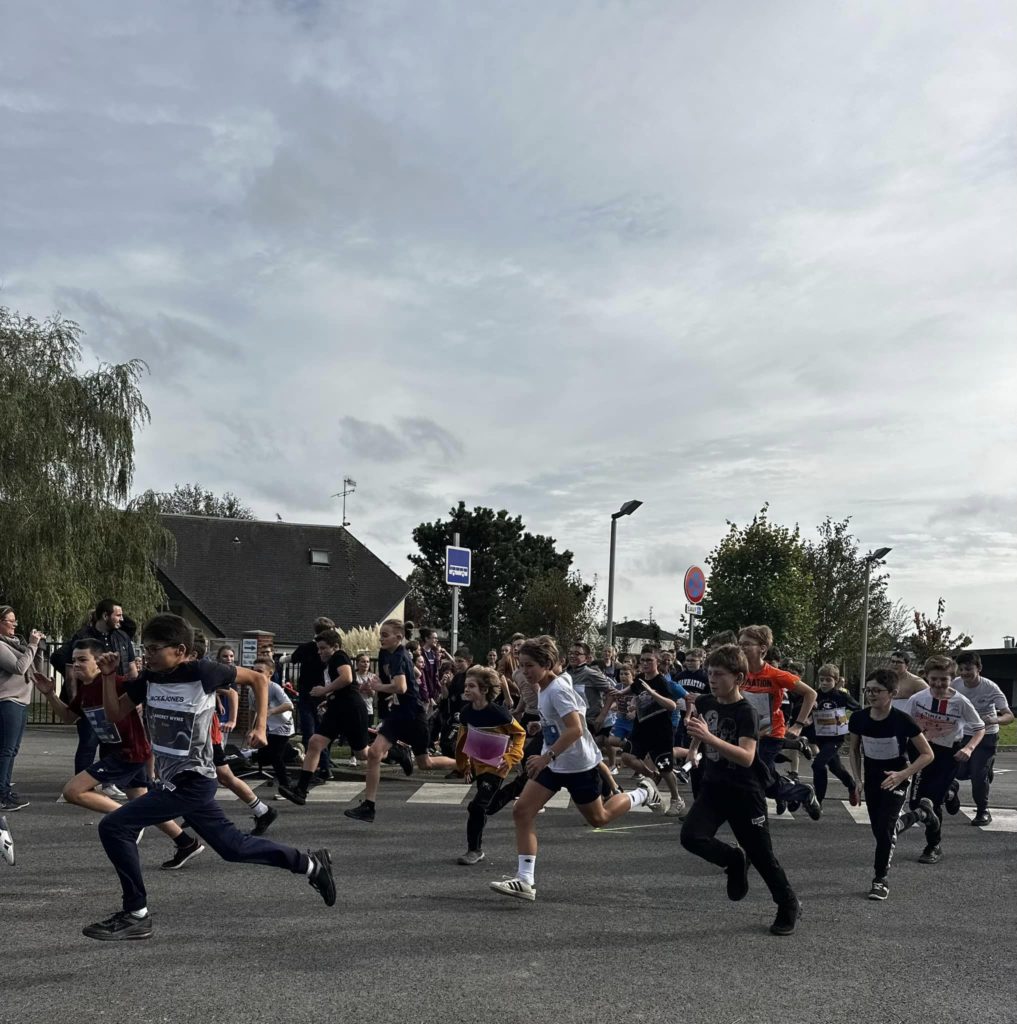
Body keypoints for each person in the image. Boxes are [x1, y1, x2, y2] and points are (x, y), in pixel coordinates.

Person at [82, 614, 335, 940]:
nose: (148, 654)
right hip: (173, 780)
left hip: (194, 780)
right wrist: (107, 676)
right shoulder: (149, 678)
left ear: (180, 649)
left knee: (115, 826)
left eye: (155, 648)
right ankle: (311, 864)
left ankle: (136, 913)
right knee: (233, 848)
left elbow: (258, 680)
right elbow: (115, 714)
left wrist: (259, 727)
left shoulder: (203, 671)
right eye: (145, 648)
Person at [488, 636, 662, 903]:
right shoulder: (548, 686)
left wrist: (546, 757)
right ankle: (525, 880)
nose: (524, 671)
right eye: (521, 665)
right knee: (522, 811)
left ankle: (643, 793)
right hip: (557, 764)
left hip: (579, 765)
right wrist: (542, 727)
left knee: (599, 819)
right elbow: (566, 721)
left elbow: (576, 728)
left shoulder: (557, 689)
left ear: (547, 664)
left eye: (530, 665)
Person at [34, 639, 204, 865]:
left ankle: (128, 820)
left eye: (83, 660)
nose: (76, 664)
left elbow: (145, 695)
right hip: (118, 753)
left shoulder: (117, 683)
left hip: (128, 753)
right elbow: (68, 717)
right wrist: (49, 694)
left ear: (99, 662)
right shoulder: (85, 689)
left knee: (72, 791)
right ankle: (186, 843)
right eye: (74, 660)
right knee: (144, 803)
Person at [679, 644, 801, 935]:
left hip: (744, 792)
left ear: (739, 678)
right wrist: (693, 751)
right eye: (710, 673)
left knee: (763, 856)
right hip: (713, 787)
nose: (712, 679)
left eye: (719, 674)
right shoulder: (707, 701)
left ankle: (788, 904)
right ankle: (734, 859)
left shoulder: (745, 710)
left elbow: (746, 756)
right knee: (691, 837)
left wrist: (709, 737)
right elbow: (699, 727)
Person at [344, 619, 457, 823]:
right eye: (381, 635)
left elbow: (402, 687)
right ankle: (369, 806)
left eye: (385, 635)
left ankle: (464, 764)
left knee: (425, 763)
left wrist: (382, 688)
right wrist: (378, 686)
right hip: (398, 712)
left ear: (399, 637)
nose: (381, 639)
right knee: (375, 754)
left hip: (413, 715)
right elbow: (411, 674)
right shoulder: (386, 653)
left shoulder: (400, 655)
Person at [848, 669, 936, 900]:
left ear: (893, 693)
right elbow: (854, 751)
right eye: (868, 690)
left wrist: (902, 774)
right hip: (873, 779)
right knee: (880, 829)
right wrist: (858, 779)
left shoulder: (902, 720)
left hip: (897, 778)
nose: (871, 694)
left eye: (877, 690)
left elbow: (927, 754)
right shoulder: (859, 719)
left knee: (886, 829)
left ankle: (880, 879)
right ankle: (921, 814)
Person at [903, 656, 984, 864]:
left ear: (952, 679)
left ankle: (933, 846)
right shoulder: (917, 699)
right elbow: (905, 726)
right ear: (926, 678)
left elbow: (979, 727)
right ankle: (950, 791)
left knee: (930, 803)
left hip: (948, 755)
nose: (938, 684)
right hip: (921, 752)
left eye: (944, 680)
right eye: (934, 679)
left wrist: (969, 747)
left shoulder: (960, 702)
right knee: (915, 804)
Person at [737, 626, 821, 820]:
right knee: (761, 778)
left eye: (747, 644)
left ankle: (756, 815)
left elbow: (811, 694)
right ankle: (802, 792)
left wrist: (799, 724)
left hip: (771, 734)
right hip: (748, 733)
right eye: (740, 644)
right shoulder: (738, 672)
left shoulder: (775, 675)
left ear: (763, 649)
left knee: (757, 777)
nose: (742, 648)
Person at [279, 630, 369, 805]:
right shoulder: (329, 664)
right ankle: (301, 790)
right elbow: (339, 686)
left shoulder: (339, 656)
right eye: (318, 648)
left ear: (334, 646)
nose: (319, 652)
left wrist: (323, 691)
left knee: (362, 754)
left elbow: (347, 678)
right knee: (315, 742)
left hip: (351, 708)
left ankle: (395, 752)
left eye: (322, 648)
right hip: (337, 707)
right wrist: (329, 700)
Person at [454, 666, 526, 865]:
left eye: (471, 686)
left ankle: (474, 851)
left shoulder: (498, 713)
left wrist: (512, 757)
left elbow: (519, 734)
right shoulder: (466, 712)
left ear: (484, 690)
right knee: (487, 807)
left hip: (497, 766)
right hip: (479, 765)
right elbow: (462, 740)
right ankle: (519, 786)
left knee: (476, 807)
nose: (466, 689)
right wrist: (464, 765)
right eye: (465, 685)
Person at [945, 652, 1013, 826]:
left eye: (968, 669)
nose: (964, 673)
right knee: (957, 771)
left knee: (977, 774)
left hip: (986, 734)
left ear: (979, 668)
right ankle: (954, 786)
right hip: (963, 733)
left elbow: (1008, 716)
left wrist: (993, 719)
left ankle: (983, 810)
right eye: (960, 669)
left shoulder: (990, 688)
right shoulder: (955, 684)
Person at [617, 651, 686, 816]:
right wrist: (621, 695)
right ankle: (651, 776)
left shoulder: (662, 682)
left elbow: (671, 705)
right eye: (643, 660)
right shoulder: (640, 678)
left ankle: (677, 799)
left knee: (665, 769)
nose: (645, 663)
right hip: (641, 729)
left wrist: (653, 693)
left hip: (661, 732)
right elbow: (633, 690)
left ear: (658, 662)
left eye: (649, 660)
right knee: (627, 757)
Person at [279, 617, 337, 782]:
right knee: (322, 732)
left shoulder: (305, 648)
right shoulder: (332, 651)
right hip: (324, 694)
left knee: (310, 733)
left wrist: (281, 660)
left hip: (307, 694)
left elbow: (291, 659)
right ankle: (324, 767)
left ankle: (315, 768)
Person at [0, 607, 44, 811]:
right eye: (10, 621)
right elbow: (19, 667)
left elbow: (33, 668)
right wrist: (32, 646)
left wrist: (38, 649)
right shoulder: (0, 645)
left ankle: (6, 789)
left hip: (21, 701)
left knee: (13, 749)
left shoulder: (15, 644)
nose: (14, 625)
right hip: (7, 700)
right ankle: (1, 794)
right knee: (6, 750)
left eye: (15, 621)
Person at [809, 664, 860, 806]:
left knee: (817, 765)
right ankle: (851, 785)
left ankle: (817, 801)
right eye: (822, 680)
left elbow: (859, 710)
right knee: (835, 767)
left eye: (828, 680)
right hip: (820, 738)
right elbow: (803, 711)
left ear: (836, 681)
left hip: (836, 738)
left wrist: (847, 721)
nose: (824, 683)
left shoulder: (841, 696)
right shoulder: (814, 694)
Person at [249, 656, 297, 793]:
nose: (256, 674)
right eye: (254, 670)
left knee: (275, 756)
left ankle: (286, 785)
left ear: (270, 673)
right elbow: (252, 710)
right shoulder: (252, 689)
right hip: (266, 726)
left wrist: (271, 711)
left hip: (282, 724)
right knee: (265, 753)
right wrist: (250, 729)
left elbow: (289, 705)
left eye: (260, 671)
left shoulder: (274, 687)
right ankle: (292, 752)